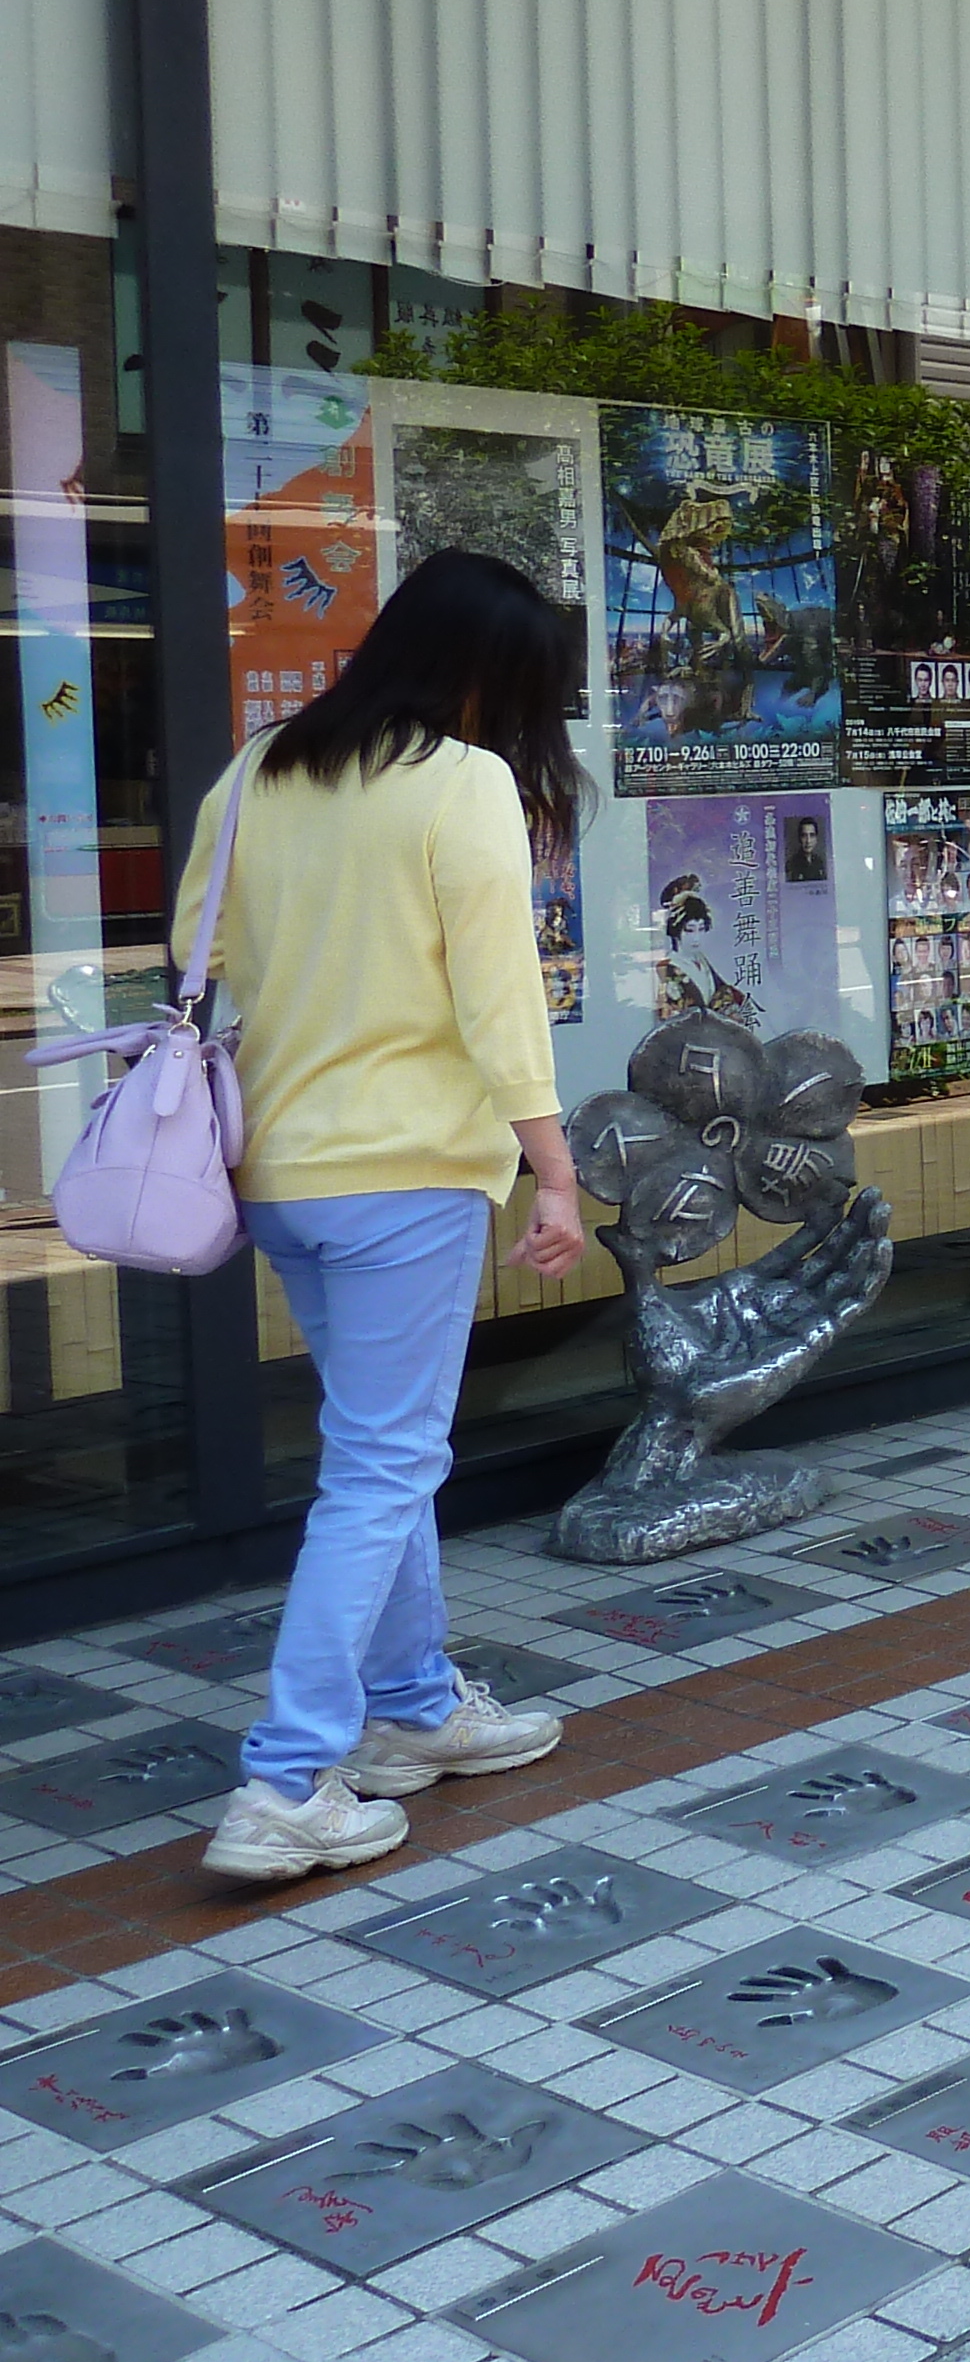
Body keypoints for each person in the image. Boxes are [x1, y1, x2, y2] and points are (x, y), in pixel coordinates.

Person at [172, 551, 588, 1884]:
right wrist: (556, 1172)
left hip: (280, 1178)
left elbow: (199, 950)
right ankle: (288, 1779)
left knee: (379, 1449)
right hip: (405, 1174)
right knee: (384, 1467)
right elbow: (499, 1004)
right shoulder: (464, 783)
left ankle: (413, 1709)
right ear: (487, 675)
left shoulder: (260, 769)